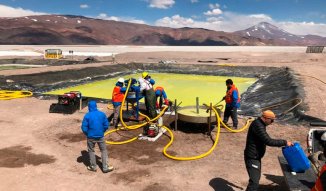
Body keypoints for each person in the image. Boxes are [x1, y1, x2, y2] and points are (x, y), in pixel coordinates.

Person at [244, 110, 292, 191]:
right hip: (252, 157)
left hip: (256, 156)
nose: (272, 122)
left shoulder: (260, 124)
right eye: (271, 120)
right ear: (266, 118)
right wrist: (285, 142)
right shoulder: (258, 126)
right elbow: (268, 141)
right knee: (254, 182)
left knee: (255, 178)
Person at [81, 100, 113, 173]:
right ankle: (105, 167)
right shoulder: (102, 114)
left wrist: (88, 134)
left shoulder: (87, 115)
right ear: (96, 106)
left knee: (91, 151)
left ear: (89, 107)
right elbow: (106, 125)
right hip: (100, 136)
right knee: (103, 150)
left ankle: (93, 166)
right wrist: (102, 131)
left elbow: (84, 127)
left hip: (90, 137)